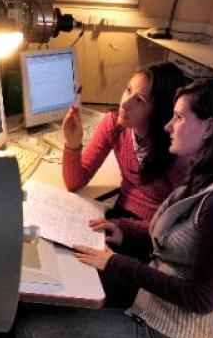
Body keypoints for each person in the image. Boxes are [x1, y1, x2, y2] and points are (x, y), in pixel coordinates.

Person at [15, 78, 213, 338]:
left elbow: (201, 299)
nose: (168, 126)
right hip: (158, 301)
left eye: (179, 118)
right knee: (63, 284)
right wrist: (126, 231)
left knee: (31, 332)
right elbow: (188, 237)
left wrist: (116, 262)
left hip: (175, 336)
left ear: (209, 127)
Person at [62, 62, 189, 223]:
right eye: (128, 90)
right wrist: (72, 143)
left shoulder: (178, 151)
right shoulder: (113, 124)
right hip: (120, 216)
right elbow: (74, 183)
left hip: (153, 233)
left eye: (140, 100)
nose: (125, 103)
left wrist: (123, 228)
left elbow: (178, 224)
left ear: (158, 110)